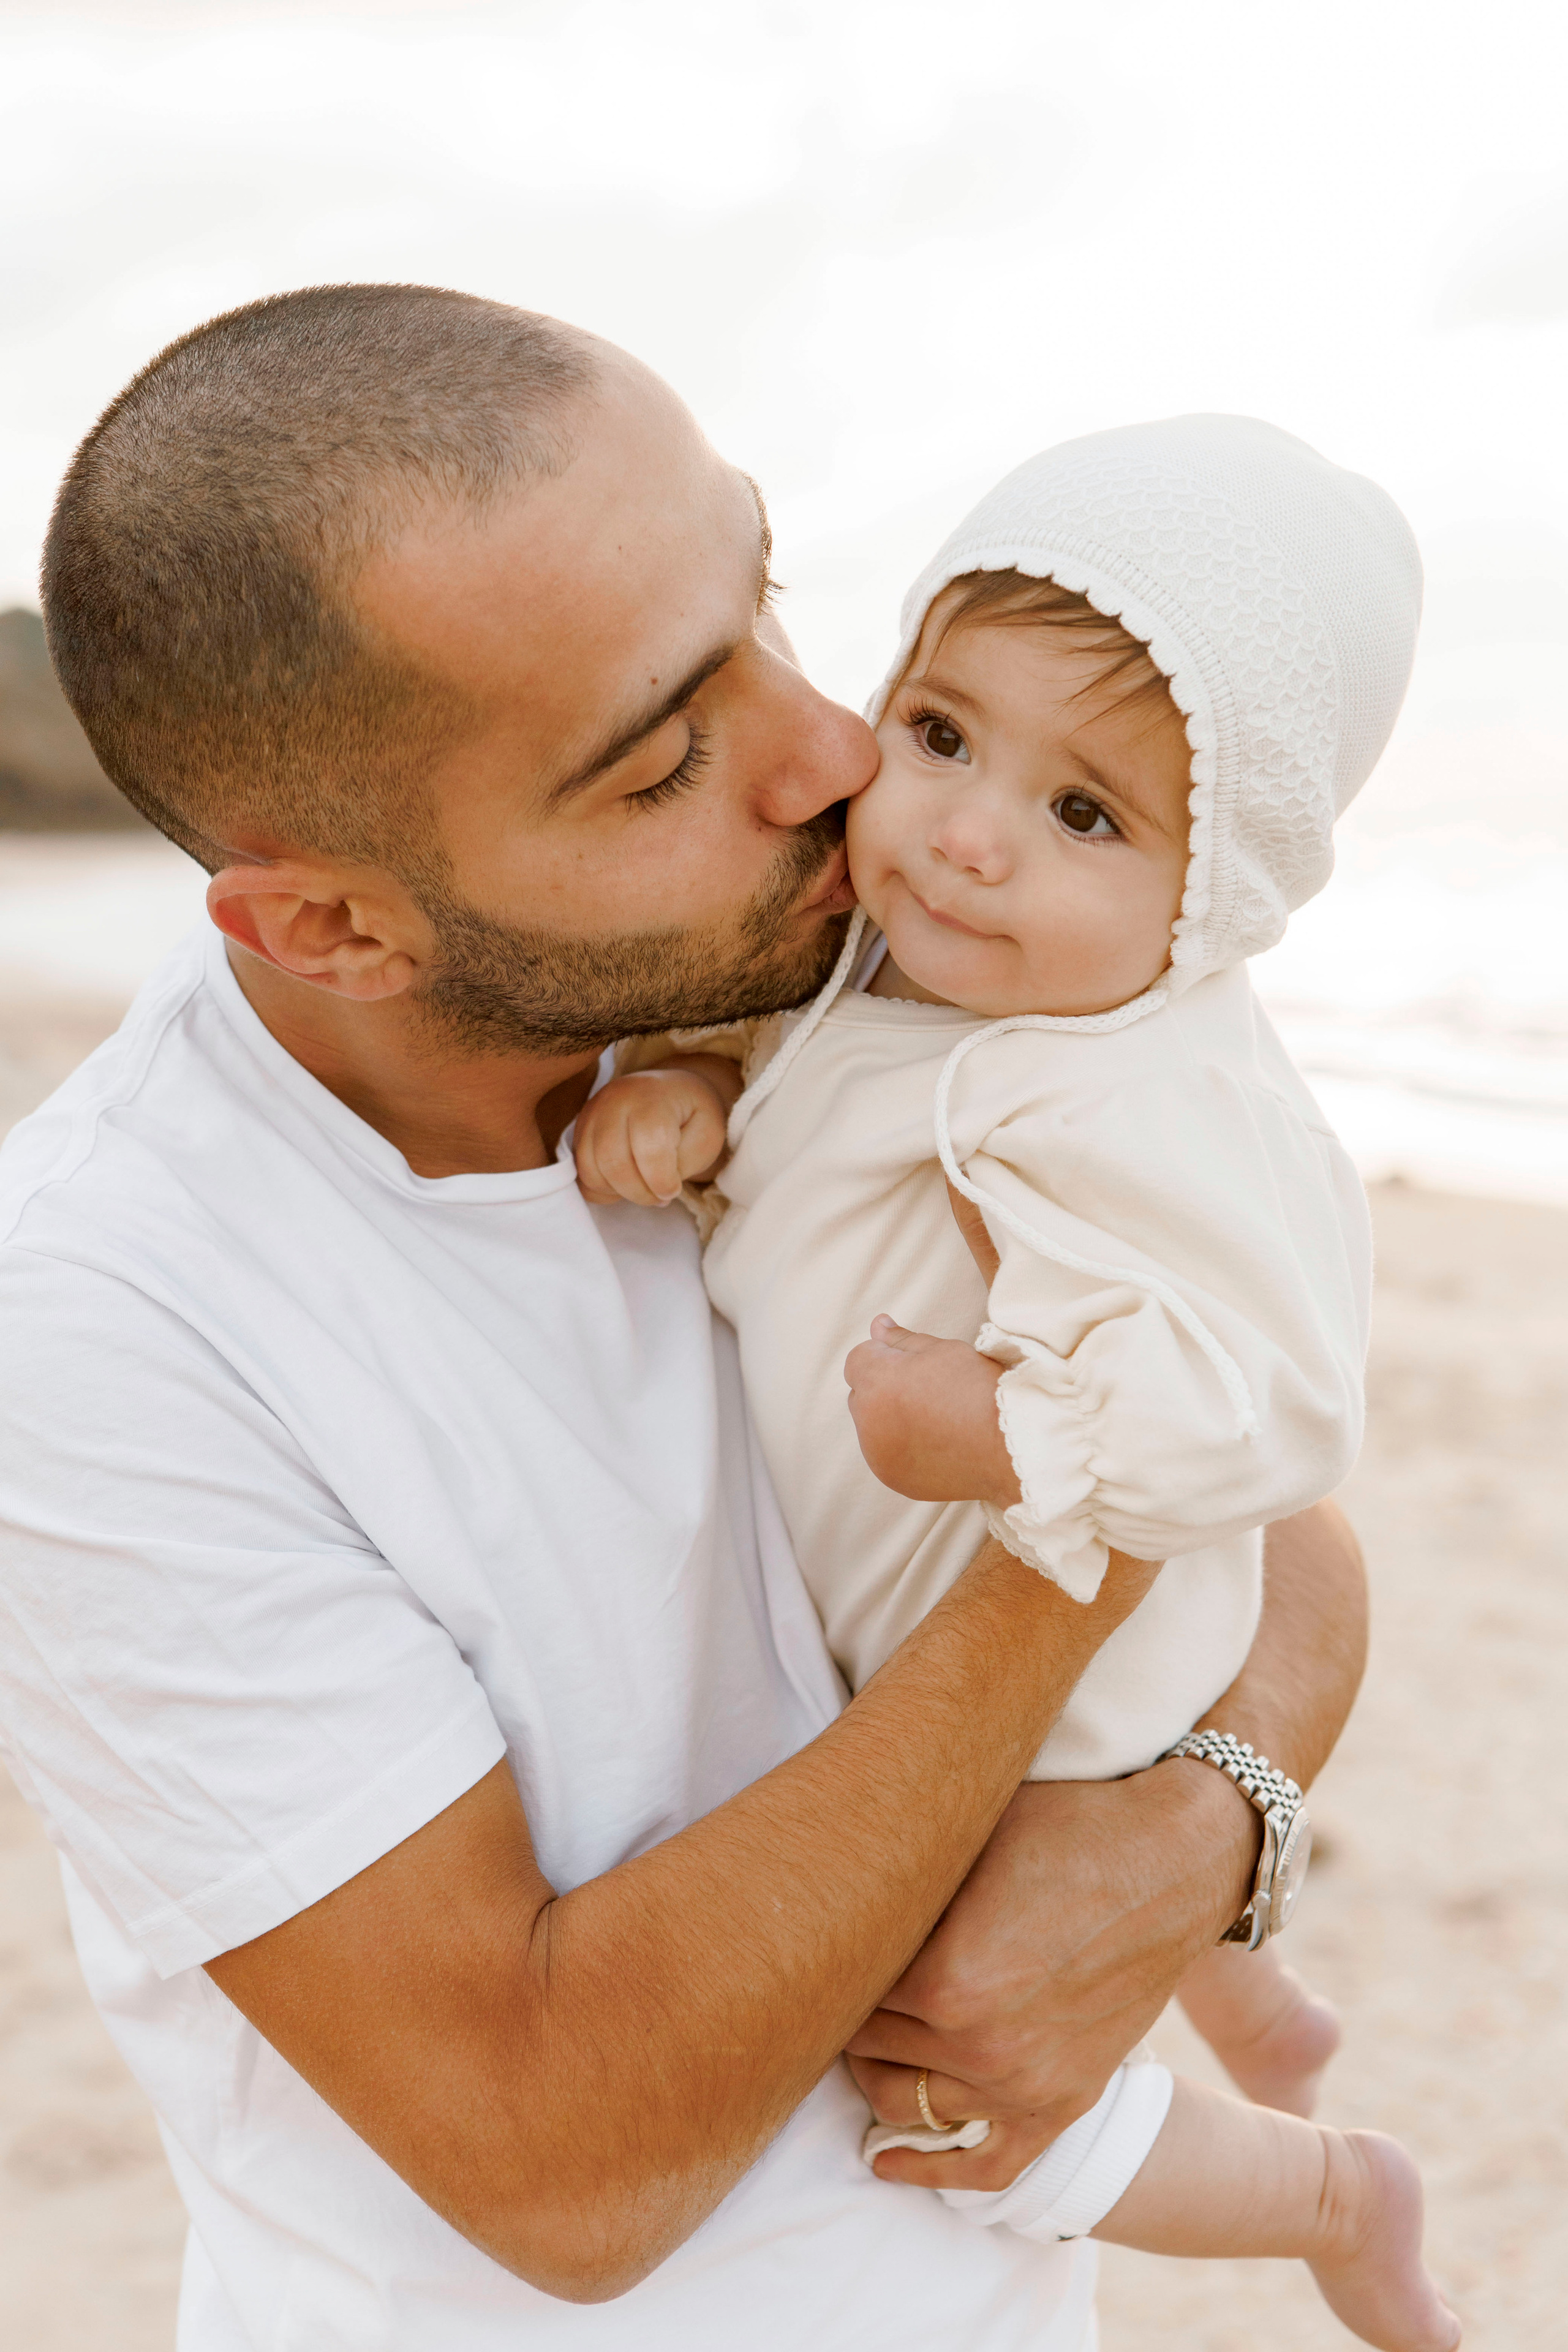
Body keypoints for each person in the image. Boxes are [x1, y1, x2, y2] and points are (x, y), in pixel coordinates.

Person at [0, 286, 1366, 2352]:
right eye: (666, 760)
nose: (835, 754)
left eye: (773, 599)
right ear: (336, 928)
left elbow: (1307, 1535)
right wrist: (1063, 1534)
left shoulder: (849, 981)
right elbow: (568, 2159)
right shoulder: (110, 1323)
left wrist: (1202, 1822)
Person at [575, 420, 1459, 2351]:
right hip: (917, 1636)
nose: (967, 833)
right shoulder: (908, 976)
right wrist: (692, 1096)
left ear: (1216, 901)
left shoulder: (1150, 1094)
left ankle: (1330, 2187)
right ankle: (1253, 1998)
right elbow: (810, 1121)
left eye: (1089, 818)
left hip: (1048, 1689)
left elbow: (1280, 1401)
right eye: (946, 735)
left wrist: (1004, 1427)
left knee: (947, 2086)